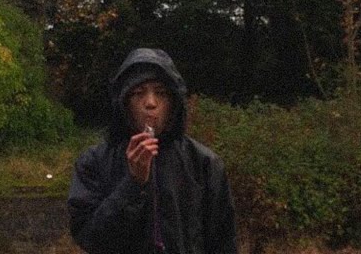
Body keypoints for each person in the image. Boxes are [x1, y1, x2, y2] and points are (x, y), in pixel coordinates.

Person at [68, 47, 238, 254]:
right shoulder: (95, 161)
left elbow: (223, 242)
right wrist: (133, 184)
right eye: (138, 93)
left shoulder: (203, 164)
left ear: (174, 102)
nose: (150, 103)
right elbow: (90, 239)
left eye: (161, 93)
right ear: (124, 102)